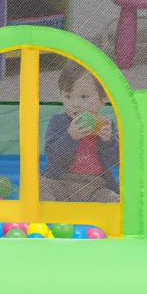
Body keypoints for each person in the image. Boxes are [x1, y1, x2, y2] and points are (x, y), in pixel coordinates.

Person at [40, 61, 119, 204]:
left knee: (114, 200)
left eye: (83, 97)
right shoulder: (57, 122)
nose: (75, 104)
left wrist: (108, 141)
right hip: (61, 183)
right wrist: (70, 137)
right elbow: (53, 159)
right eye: (68, 96)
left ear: (102, 100)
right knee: (37, 186)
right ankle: (56, 213)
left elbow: (118, 161)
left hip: (96, 187)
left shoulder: (107, 127)